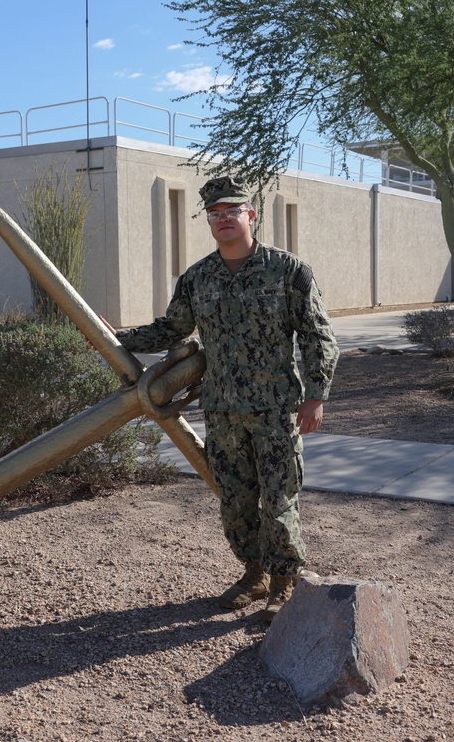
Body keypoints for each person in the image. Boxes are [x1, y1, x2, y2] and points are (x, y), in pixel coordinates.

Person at [114, 175, 338, 623]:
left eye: (232, 211)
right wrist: (117, 337)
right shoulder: (197, 278)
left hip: (275, 409)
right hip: (222, 411)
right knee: (235, 501)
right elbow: (171, 329)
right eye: (215, 214)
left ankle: (283, 581)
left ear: (251, 215)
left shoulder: (288, 270)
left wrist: (315, 397)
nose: (223, 219)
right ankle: (254, 575)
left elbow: (318, 336)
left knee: (279, 500)